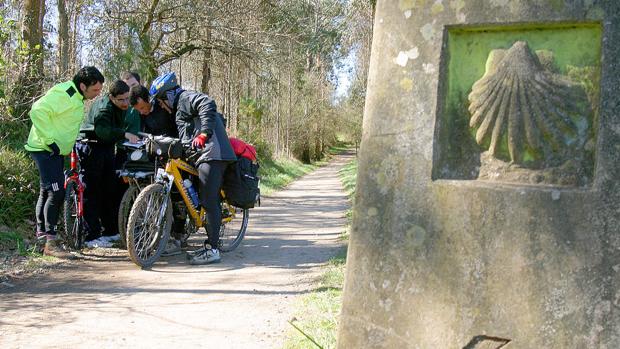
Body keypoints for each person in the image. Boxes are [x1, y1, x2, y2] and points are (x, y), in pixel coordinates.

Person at [150, 72, 236, 264]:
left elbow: (207, 103)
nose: (161, 107)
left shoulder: (185, 97)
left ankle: (213, 249)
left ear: (167, 96)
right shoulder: (178, 108)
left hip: (212, 153)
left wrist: (204, 133)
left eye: (161, 101)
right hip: (199, 156)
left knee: (208, 199)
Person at [25, 66, 105, 258]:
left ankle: (42, 239)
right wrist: (50, 140)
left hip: (55, 150)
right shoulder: (66, 93)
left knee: (46, 191)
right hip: (45, 148)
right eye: (95, 90)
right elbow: (37, 111)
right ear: (82, 85)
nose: (97, 94)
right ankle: (50, 244)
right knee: (56, 192)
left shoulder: (77, 96)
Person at [78, 80, 140, 247]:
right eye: (122, 100)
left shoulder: (120, 106)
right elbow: (102, 131)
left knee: (109, 189)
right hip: (91, 147)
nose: (126, 103)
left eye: (128, 98)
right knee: (92, 191)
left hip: (106, 148)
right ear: (112, 97)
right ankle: (91, 236)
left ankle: (110, 231)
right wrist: (124, 134)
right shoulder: (104, 108)